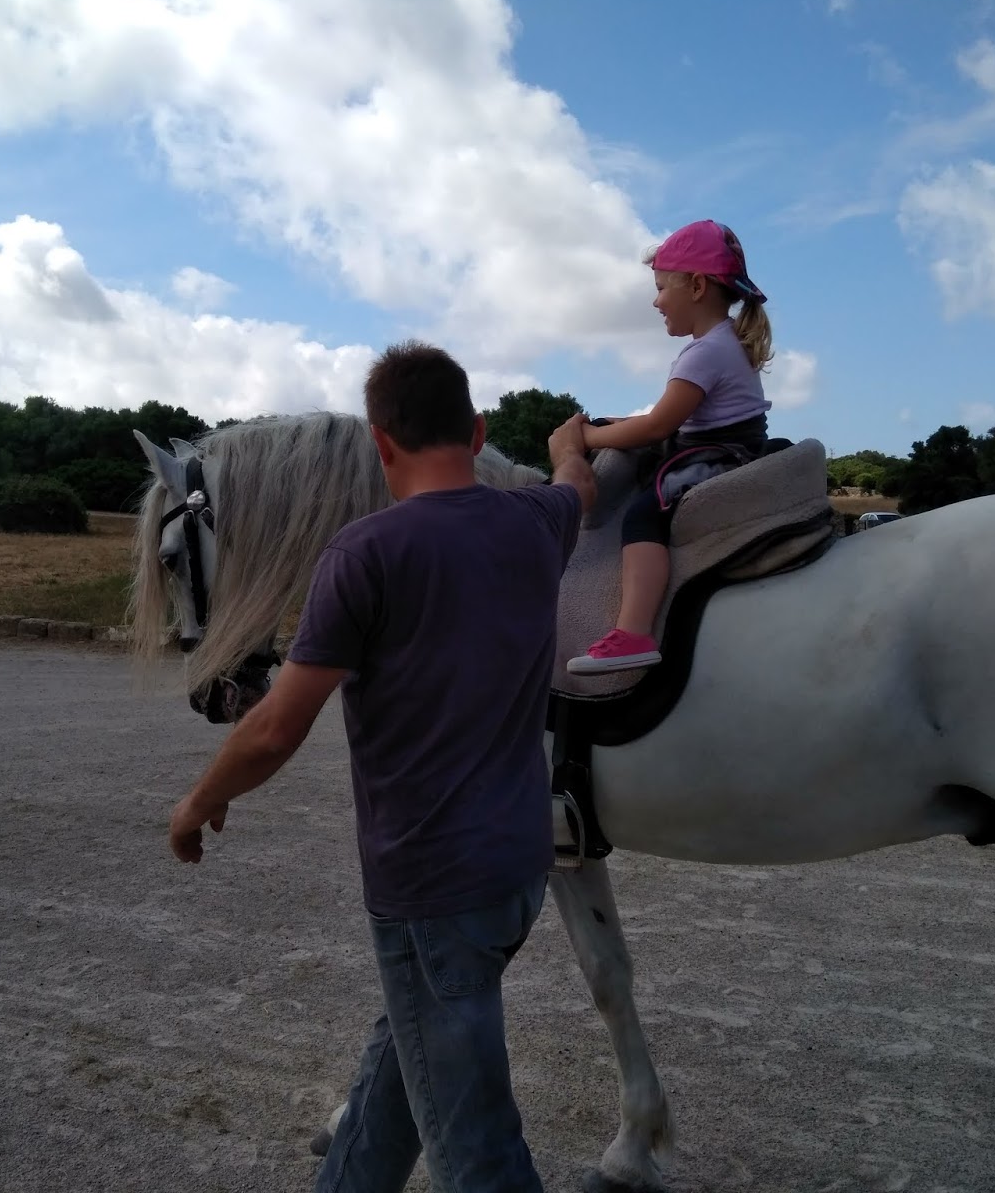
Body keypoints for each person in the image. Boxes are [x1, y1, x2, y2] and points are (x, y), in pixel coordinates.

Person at [167, 340, 597, 1193]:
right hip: (517, 871)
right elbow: (577, 489)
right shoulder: (539, 523)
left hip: (432, 885)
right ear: (478, 433)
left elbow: (275, 727)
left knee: (475, 1152)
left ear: (380, 442)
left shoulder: (363, 554)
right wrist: (568, 450)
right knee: (399, 1079)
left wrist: (198, 801)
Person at [567, 220, 774, 676]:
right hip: (714, 445)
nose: (656, 301)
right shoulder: (724, 343)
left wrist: (588, 438)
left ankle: (634, 632)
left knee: (645, 513)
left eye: (661, 288)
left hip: (717, 456)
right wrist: (614, 424)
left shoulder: (705, 353)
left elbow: (657, 426)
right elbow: (662, 422)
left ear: (697, 286)